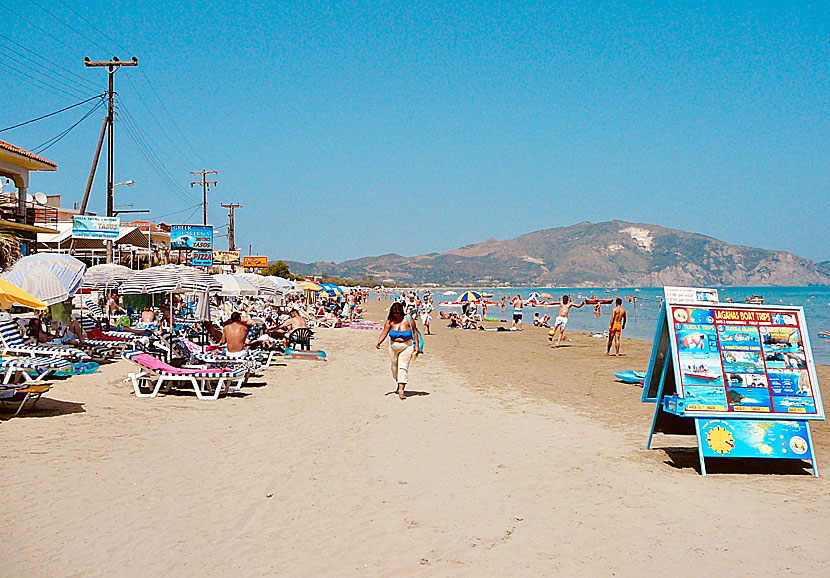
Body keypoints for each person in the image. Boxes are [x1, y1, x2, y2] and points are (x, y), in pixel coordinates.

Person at [376, 302, 421, 400]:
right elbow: (385, 332)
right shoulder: (390, 321)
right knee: (394, 368)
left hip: (407, 346)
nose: (396, 315)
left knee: (403, 367)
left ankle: (401, 389)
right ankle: (399, 382)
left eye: (398, 313)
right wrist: (379, 342)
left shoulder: (408, 319)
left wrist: (417, 347)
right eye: (394, 313)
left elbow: (414, 332)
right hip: (393, 346)